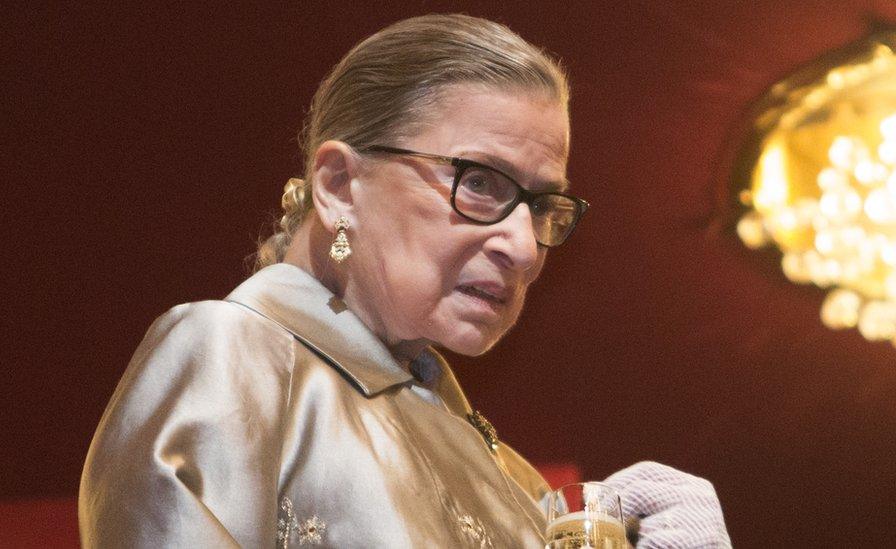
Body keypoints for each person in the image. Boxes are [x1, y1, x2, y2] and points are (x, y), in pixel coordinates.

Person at [78, 14, 730, 548]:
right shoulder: (232, 355)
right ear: (339, 186)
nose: (524, 245)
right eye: (478, 182)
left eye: (540, 205)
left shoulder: (510, 476)